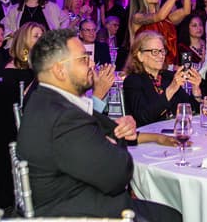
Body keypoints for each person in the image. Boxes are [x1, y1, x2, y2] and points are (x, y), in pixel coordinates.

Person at [15, 28, 181, 222]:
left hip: (74, 198)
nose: (92, 64)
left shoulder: (49, 100)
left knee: (170, 213)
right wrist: (113, 144)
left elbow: (110, 128)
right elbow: (118, 175)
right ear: (60, 70)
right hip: (78, 212)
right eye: (84, 59)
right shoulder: (64, 117)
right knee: (172, 216)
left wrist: (115, 136)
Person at [0, 22, 45, 211]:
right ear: (25, 40)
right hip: (13, 131)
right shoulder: (13, 71)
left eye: (42, 35)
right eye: (36, 36)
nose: (41, 39)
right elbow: (17, 107)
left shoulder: (37, 67)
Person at [122, 30, 202, 126]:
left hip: (174, 132)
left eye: (162, 51)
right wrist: (171, 89)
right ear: (140, 56)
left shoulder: (168, 77)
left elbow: (191, 110)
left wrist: (196, 89)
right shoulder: (133, 81)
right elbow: (143, 117)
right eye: (155, 52)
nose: (161, 56)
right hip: (149, 136)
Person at [126, 0, 198, 62]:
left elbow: (186, 11)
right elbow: (158, 16)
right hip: (144, 67)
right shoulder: (137, 17)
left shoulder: (166, 18)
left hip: (167, 67)